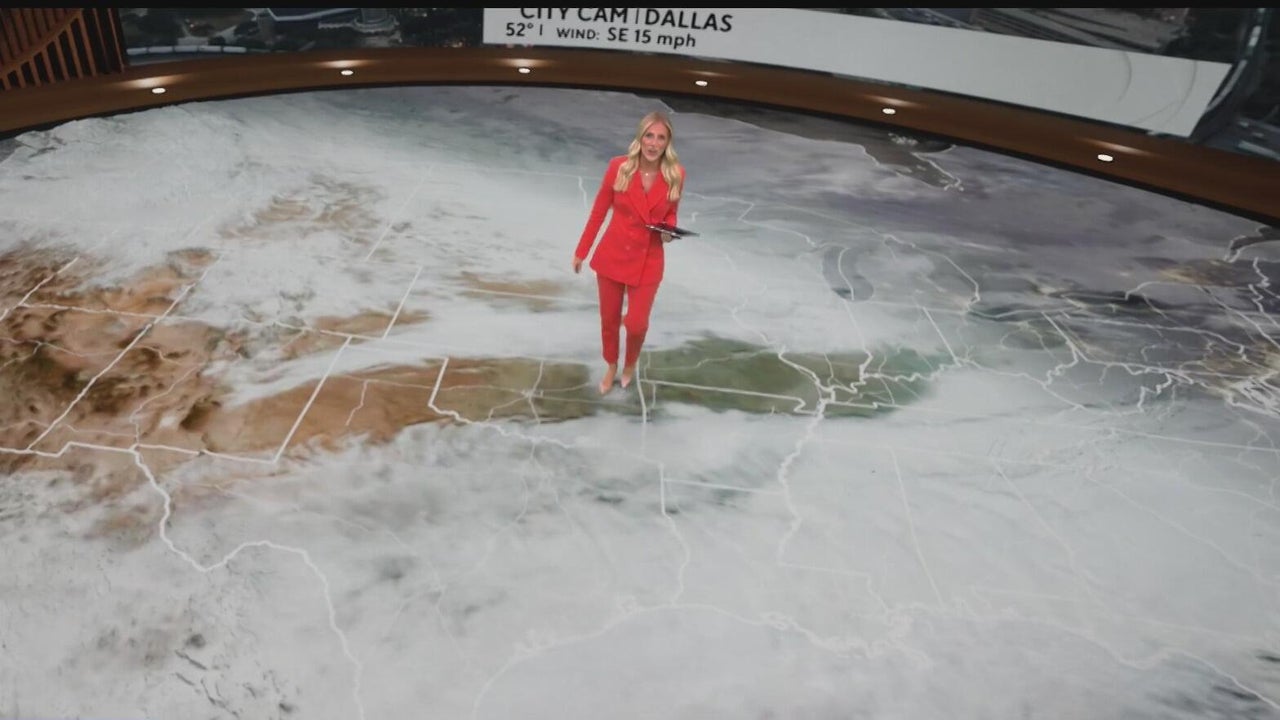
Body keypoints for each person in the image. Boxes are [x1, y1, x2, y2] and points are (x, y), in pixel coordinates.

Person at [573, 111, 686, 395]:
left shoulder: (675, 174)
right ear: (640, 137)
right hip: (613, 255)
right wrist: (582, 251)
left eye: (661, 138)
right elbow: (599, 211)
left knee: (636, 324)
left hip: (648, 260)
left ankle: (630, 363)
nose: (653, 143)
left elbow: (671, 213)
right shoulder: (618, 167)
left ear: (667, 143)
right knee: (609, 320)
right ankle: (611, 365)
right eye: (649, 136)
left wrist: (668, 231)